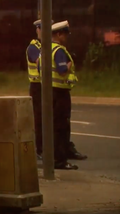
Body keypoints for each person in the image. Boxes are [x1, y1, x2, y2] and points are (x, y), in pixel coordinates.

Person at [39, 20, 85, 170]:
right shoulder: (59, 50)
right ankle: (60, 161)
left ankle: (52, 158)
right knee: (61, 127)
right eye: (65, 34)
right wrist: (70, 63)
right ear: (59, 34)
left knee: (52, 127)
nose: (67, 37)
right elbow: (62, 70)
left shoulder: (46, 48)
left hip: (49, 92)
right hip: (59, 93)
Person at [26, 19, 53, 161]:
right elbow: (40, 62)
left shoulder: (49, 45)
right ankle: (40, 149)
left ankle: (51, 148)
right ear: (38, 30)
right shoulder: (34, 47)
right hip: (37, 86)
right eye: (42, 29)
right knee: (39, 119)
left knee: (51, 118)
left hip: (48, 85)